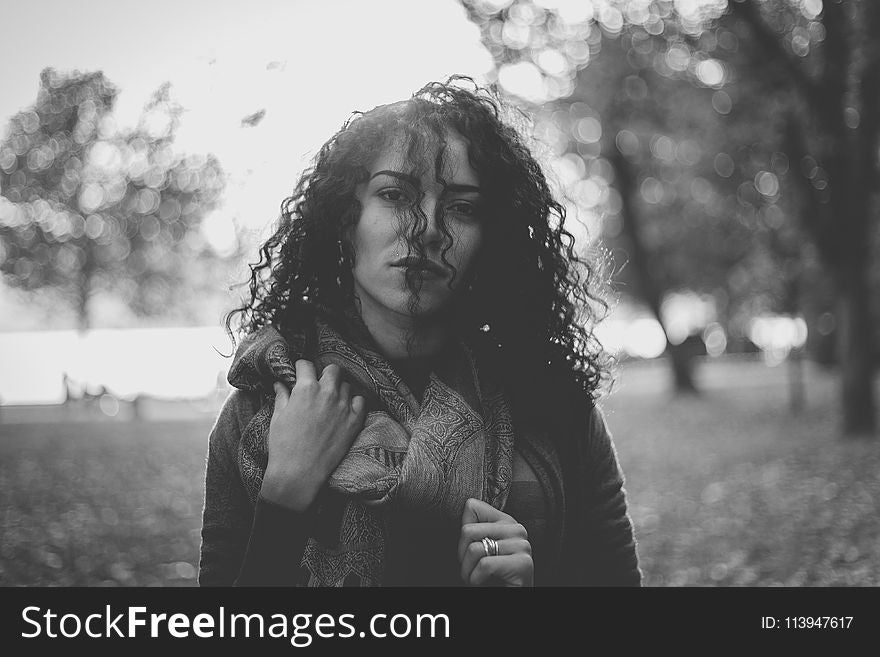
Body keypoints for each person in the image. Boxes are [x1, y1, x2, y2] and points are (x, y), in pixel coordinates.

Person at [198, 77, 641, 587]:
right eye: (394, 194)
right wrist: (285, 494)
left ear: (491, 238)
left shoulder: (556, 408)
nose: (427, 227)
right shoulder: (262, 412)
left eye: (462, 207)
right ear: (347, 220)